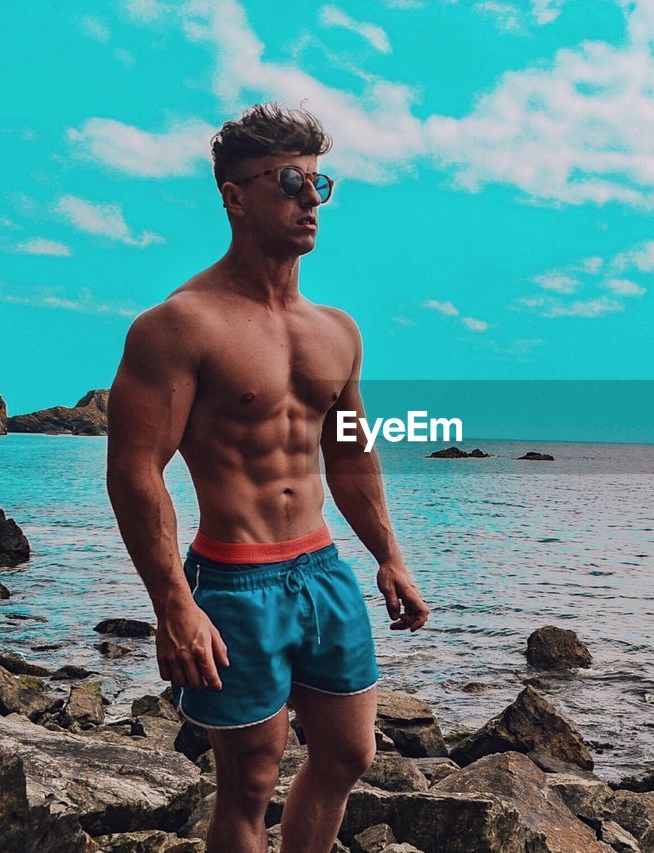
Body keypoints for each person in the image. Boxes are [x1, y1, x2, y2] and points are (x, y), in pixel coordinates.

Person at [106, 102, 429, 853]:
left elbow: (349, 450)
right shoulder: (179, 324)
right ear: (235, 195)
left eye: (321, 184)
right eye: (290, 181)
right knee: (249, 779)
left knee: (350, 753)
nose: (310, 200)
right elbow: (134, 473)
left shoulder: (338, 331)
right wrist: (173, 605)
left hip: (321, 571)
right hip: (233, 581)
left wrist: (389, 554)